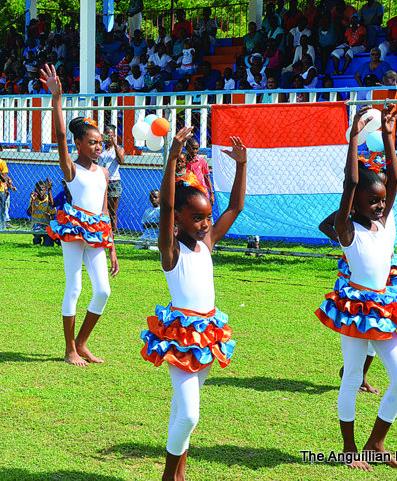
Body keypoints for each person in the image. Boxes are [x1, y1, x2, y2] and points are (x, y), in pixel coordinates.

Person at [141, 126, 246, 481]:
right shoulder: (171, 252)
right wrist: (172, 157)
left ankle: (179, 473)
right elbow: (169, 204)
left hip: (208, 333)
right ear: (178, 221)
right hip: (181, 335)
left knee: (185, 410)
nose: (205, 224)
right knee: (189, 414)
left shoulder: (208, 242)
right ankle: (170, 476)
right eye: (197, 217)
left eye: (206, 217)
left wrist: (242, 165)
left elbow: (235, 206)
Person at [315, 106, 397, 471]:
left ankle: (377, 443)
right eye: (373, 201)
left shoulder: (384, 222)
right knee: (353, 376)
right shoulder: (347, 231)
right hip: (355, 309)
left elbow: (395, 176)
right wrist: (353, 139)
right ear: (354, 205)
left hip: (383, 309)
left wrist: (388, 135)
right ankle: (349, 448)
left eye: (382, 200)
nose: (381, 205)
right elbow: (350, 183)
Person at [318, 114, 397, 396]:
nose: (382, 199)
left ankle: (357, 374)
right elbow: (330, 221)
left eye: (384, 195)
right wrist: (349, 238)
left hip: (385, 262)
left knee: (378, 321)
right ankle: (354, 374)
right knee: (369, 319)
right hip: (364, 258)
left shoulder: (385, 194)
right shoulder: (359, 202)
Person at [40, 63, 119, 367]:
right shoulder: (71, 168)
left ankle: (82, 343)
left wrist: (112, 248)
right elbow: (60, 135)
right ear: (78, 144)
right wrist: (57, 100)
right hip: (73, 229)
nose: (98, 147)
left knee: (103, 290)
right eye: (92, 142)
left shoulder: (103, 171)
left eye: (100, 142)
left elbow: (103, 212)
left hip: (97, 232)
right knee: (74, 286)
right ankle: (69, 348)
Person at [97, 125, 125, 235]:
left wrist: (114, 144)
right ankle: (101, 230)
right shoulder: (100, 147)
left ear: (114, 136)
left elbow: (121, 161)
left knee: (112, 211)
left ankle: (113, 233)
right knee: (100, 209)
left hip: (113, 182)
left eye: (110, 135)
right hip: (101, 181)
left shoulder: (118, 149)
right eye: (106, 135)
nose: (108, 138)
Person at [184, 138, 214, 205]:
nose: (195, 151)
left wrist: (211, 193)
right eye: (192, 148)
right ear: (186, 148)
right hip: (188, 193)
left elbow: (207, 177)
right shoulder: (183, 162)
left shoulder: (202, 161)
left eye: (196, 149)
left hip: (202, 192)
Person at [28, 179, 56, 246]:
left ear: (46, 190)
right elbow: (29, 213)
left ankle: (47, 239)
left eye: (43, 190)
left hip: (46, 225)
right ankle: (37, 239)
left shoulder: (49, 200)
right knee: (37, 232)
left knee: (48, 244)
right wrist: (33, 201)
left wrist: (50, 216)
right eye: (38, 190)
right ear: (35, 190)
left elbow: (53, 216)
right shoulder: (34, 199)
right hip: (37, 224)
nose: (41, 192)